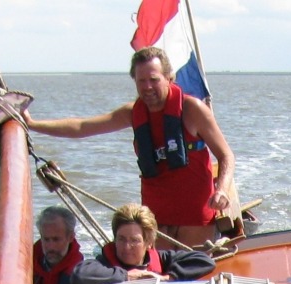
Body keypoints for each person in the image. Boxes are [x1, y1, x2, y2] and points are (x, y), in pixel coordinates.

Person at [21, 47, 235, 248]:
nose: (147, 87)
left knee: (194, 275)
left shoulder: (192, 109)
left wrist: (222, 190)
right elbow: (82, 127)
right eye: (141, 81)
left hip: (195, 218)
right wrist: (32, 124)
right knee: (162, 277)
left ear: (169, 78)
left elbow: (226, 156)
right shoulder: (132, 113)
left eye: (154, 80)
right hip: (155, 219)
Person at [69, 204, 215, 284]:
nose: (127, 247)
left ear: (149, 242)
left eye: (134, 241)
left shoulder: (162, 259)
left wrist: (167, 278)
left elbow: (204, 260)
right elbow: (79, 274)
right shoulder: (104, 264)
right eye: (121, 239)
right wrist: (127, 277)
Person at [31, 206, 83, 284]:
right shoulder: (28, 265)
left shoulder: (79, 274)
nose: (51, 247)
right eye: (46, 239)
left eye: (56, 239)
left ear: (71, 237)